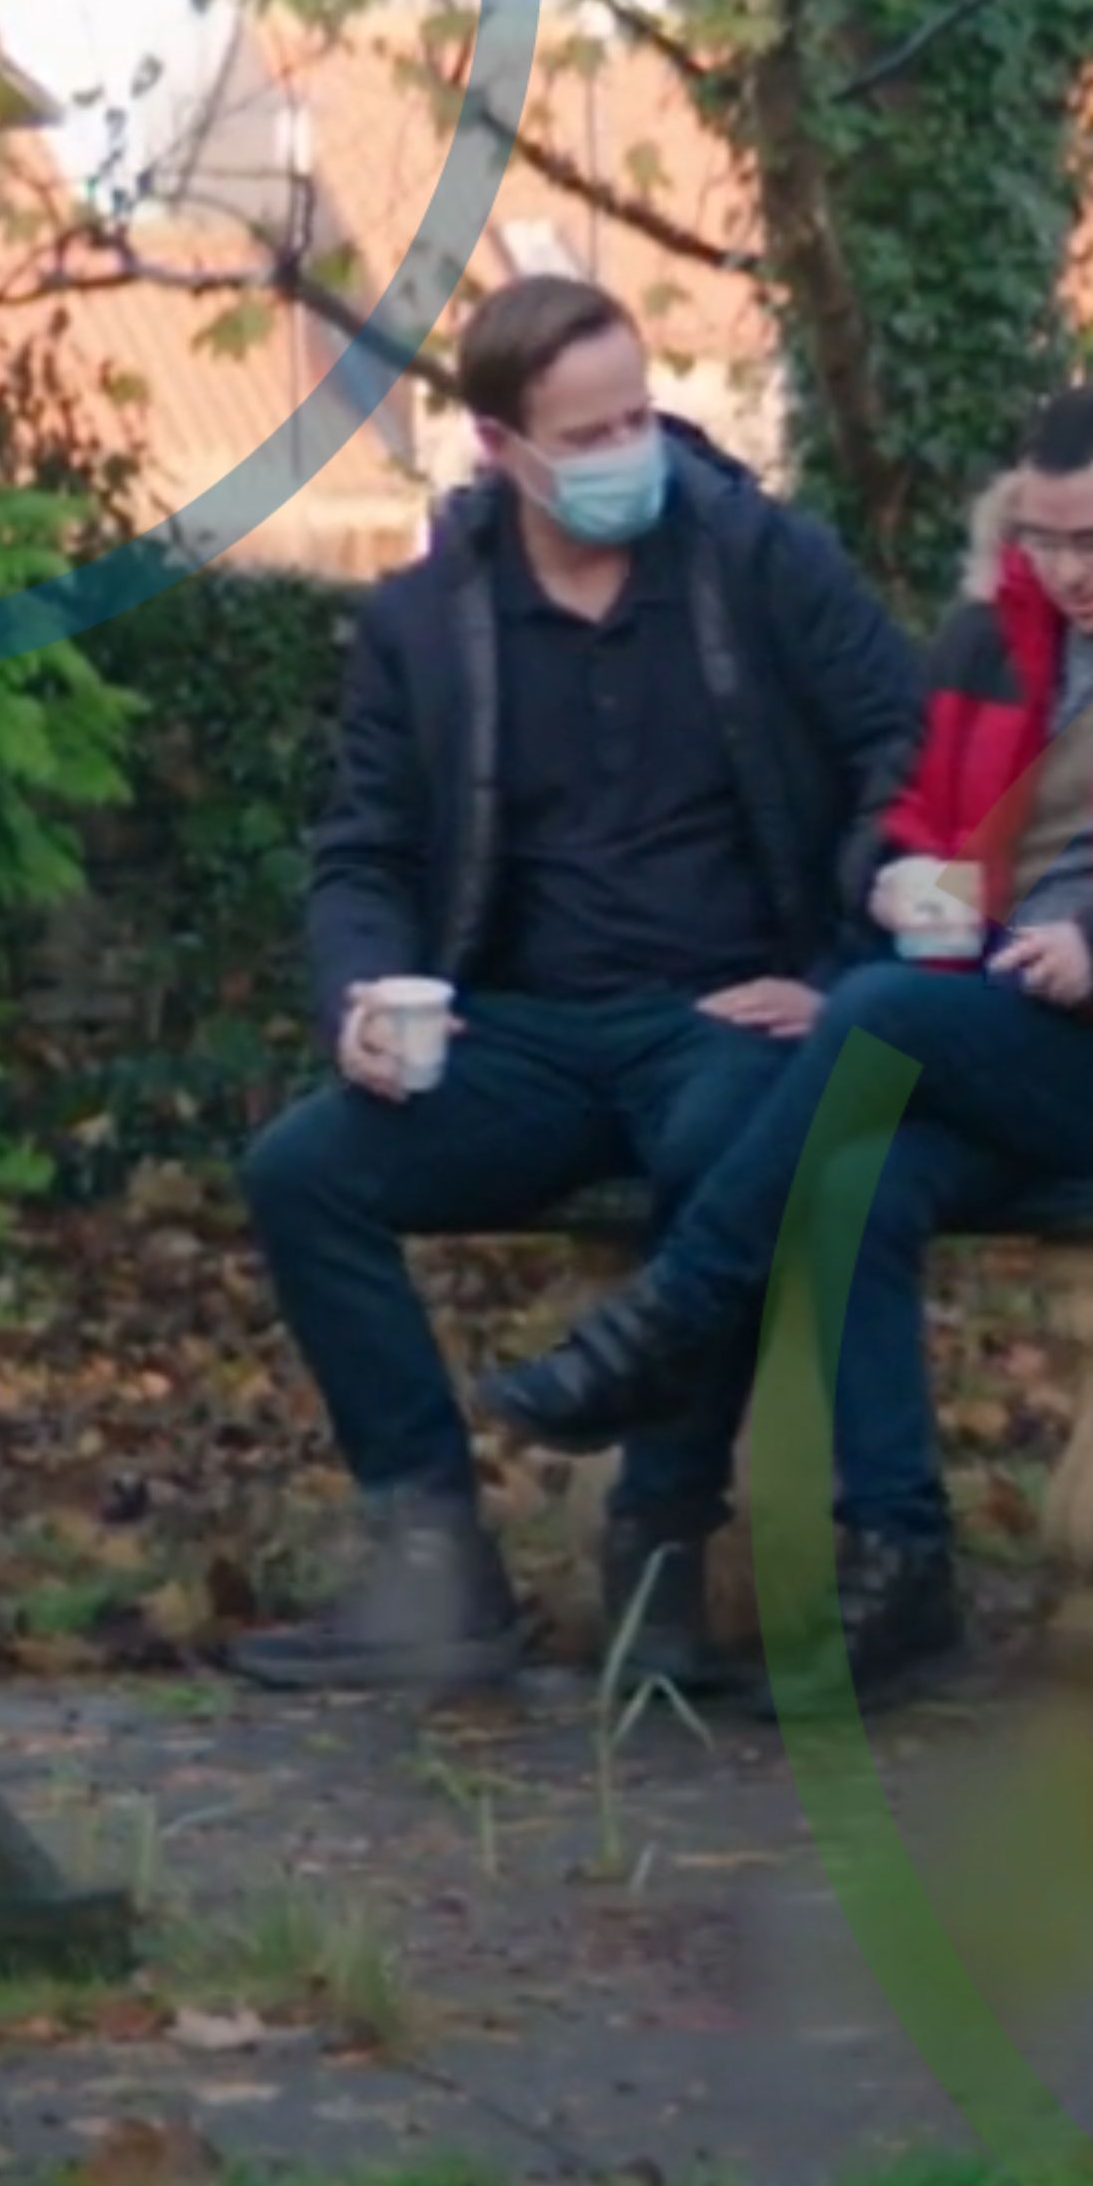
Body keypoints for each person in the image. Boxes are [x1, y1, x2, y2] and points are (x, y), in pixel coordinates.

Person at [473, 383, 1093, 1696]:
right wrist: (890, 877)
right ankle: (902, 1572)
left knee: (885, 1014)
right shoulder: (988, 647)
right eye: (1042, 540)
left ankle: (672, 1315)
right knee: (849, 1178)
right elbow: (904, 811)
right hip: (1005, 1032)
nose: (1067, 574)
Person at [220, 273, 921, 1698]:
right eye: (586, 435)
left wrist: (838, 977)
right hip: (516, 1031)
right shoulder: (424, 623)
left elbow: (907, 762)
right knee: (303, 1172)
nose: (626, 455)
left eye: (637, 417)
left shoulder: (763, 564)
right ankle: (434, 1564)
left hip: (727, 1013)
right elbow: (364, 850)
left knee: (733, 1154)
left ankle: (660, 1549)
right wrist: (363, 994)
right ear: (502, 447)